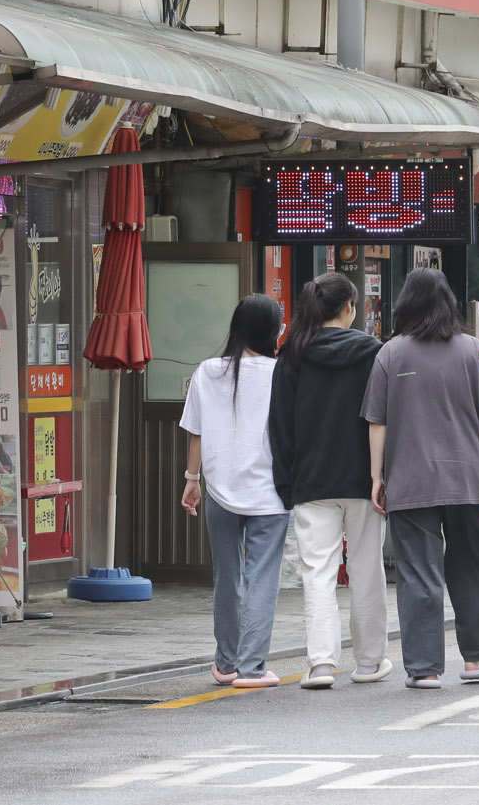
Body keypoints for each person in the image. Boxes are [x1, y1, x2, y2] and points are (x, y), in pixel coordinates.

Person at [363, 267, 479, 689]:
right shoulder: (473, 350)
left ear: (405, 304)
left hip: (410, 480)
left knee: (418, 573)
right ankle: (478, 659)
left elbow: (377, 422)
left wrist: (376, 477)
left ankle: (424, 668)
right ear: (448, 302)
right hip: (467, 477)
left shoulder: (390, 353)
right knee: (473, 566)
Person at [268, 272, 390, 690]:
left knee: (317, 573)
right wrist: (384, 475)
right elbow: (383, 419)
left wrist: (286, 484)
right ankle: (370, 662)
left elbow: (279, 427)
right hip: (363, 479)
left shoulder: (292, 356)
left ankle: (321, 665)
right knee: (366, 569)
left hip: (311, 480)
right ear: (349, 309)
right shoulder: (373, 353)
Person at [180, 294, 288, 689]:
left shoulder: (208, 371)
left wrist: (192, 480)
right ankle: (252, 667)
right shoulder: (282, 373)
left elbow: (197, 432)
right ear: (273, 331)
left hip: (219, 491)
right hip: (270, 493)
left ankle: (226, 662)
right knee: (261, 577)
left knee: (228, 576)